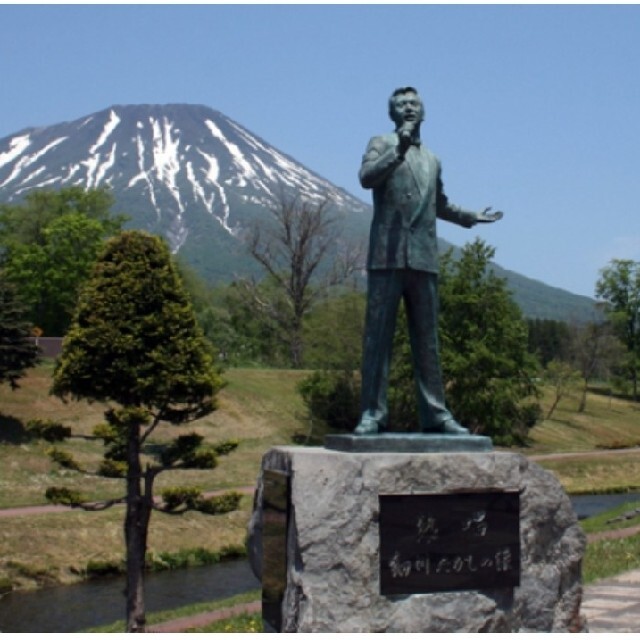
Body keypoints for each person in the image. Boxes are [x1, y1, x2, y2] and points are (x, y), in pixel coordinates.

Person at [355, 87, 502, 436]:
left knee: (428, 342)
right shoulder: (380, 142)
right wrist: (398, 149)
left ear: (423, 112)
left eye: (413, 104)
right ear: (392, 114)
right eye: (401, 105)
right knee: (378, 341)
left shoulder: (433, 159)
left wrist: (468, 216)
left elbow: (439, 203)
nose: (408, 108)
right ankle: (372, 414)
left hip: (423, 259)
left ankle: (435, 413)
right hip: (387, 257)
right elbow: (366, 178)